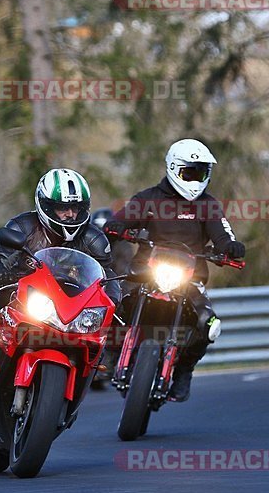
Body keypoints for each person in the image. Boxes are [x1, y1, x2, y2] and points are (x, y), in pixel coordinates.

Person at [0, 169, 121, 405]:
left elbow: (107, 273)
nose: (70, 215)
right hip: (24, 292)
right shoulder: (23, 226)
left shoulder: (94, 239)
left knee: (103, 334)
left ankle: (90, 378)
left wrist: (114, 296)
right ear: (46, 207)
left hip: (71, 303)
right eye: (63, 208)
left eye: (76, 208)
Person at [103, 139, 246, 402]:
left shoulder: (208, 205)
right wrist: (116, 228)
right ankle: (111, 355)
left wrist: (230, 247)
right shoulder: (147, 199)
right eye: (188, 172)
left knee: (207, 322)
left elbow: (223, 233)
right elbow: (118, 220)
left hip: (189, 279)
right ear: (172, 168)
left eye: (200, 172)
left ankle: (183, 371)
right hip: (146, 273)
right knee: (114, 305)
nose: (194, 178)